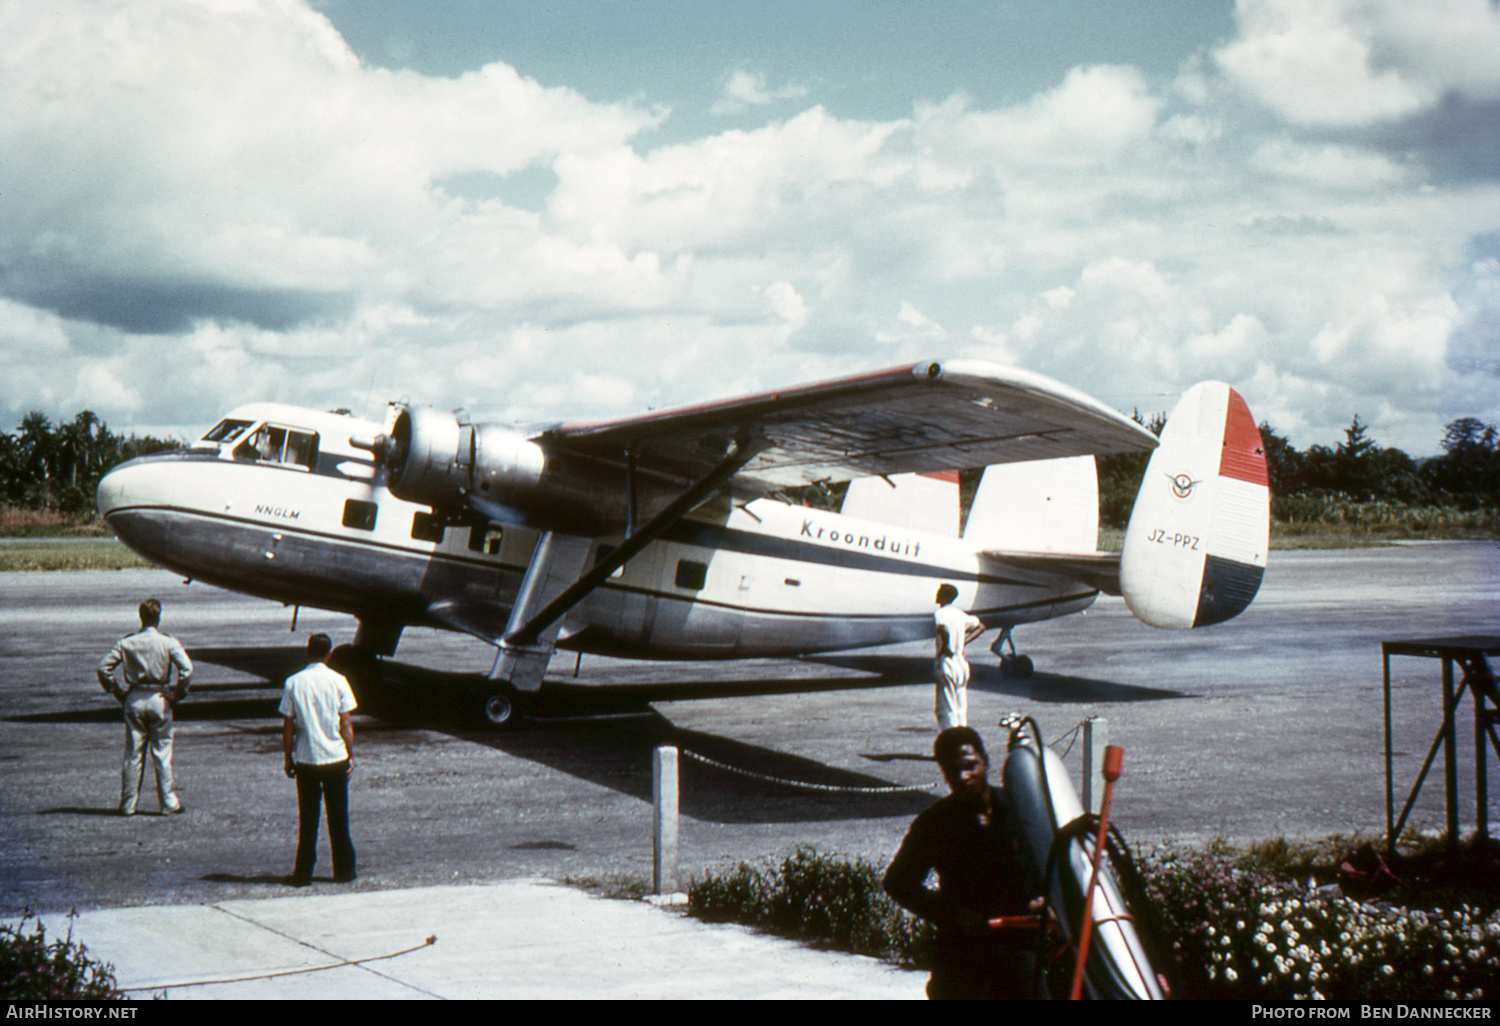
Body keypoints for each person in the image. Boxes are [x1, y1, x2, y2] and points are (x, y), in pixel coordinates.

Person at [883, 726, 1045, 1000]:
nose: (963, 777)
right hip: (962, 957)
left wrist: (1047, 901)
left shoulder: (1022, 810)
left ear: (986, 760)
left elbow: (1050, 860)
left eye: (970, 766)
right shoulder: (935, 823)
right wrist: (952, 914)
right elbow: (898, 882)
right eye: (952, 771)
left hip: (1018, 951)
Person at [97, 598, 192, 816]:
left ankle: (128, 804)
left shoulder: (127, 642)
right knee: (162, 753)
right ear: (158, 618)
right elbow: (187, 669)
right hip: (159, 696)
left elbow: (103, 668)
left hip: (135, 696)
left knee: (133, 753)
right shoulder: (168, 642)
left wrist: (116, 690)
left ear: (141, 617)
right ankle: (168, 802)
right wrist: (178, 693)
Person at [279, 633, 358, 886]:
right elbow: (346, 723)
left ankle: (303, 874)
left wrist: (288, 757)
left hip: (307, 758)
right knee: (338, 818)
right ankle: (344, 871)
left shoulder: (293, 682)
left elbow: (288, 725)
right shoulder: (339, 680)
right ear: (329, 653)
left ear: (307, 651)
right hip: (335, 758)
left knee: (308, 819)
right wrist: (350, 754)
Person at [932, 583, 984, 729]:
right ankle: (963, 736)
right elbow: (980, 627)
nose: (936, 595)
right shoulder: (960, 614)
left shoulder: (940, 614)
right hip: (961, 662)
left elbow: (943, 629)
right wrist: (963, 641)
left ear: (944, 596)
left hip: (947, 661)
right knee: (961, 706)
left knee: (946, 707)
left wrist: (945, 647)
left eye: (939, 592)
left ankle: (951, 741)